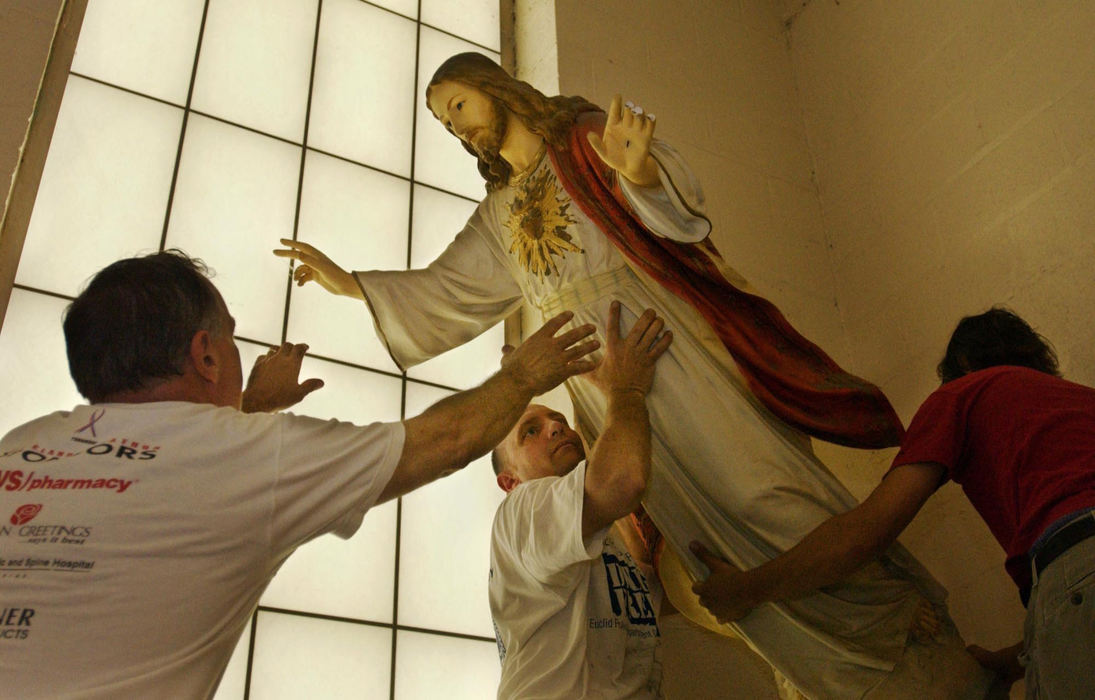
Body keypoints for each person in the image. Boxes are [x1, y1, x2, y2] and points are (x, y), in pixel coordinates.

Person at [273, 53, 991, 698]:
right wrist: (354, 285)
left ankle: (906, 636)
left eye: (457, 105)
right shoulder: (497, 215)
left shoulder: (583, 141)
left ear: (494, 87)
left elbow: (673, 211)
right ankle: (825, 677)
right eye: (442, 122)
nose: (455, 128)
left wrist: (642, 173)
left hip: (666, 344)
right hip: (602, 384)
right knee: (700, 527)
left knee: (759, 491)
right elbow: (443, 290)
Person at [0, 250, 598, 698]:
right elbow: (444, 443)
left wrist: (250, 412)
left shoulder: (21, 444)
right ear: (206, 355)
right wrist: (523, 375)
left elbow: (169, 469)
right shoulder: (247, 453)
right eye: (233, 338)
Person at [692, 307, 1095, 698]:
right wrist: (1011, 662)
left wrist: (745, 590)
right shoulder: (1083, 400)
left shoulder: (964, 393)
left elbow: (865, 533)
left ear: (964, 364)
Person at [489, 301, 670, 699]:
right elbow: (623, 479)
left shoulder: (600, 536)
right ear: (509, 481)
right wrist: (625, 388)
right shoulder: (522, 510)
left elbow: (647, 571)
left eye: (560, 420)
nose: (555, 427)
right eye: (530, 432)